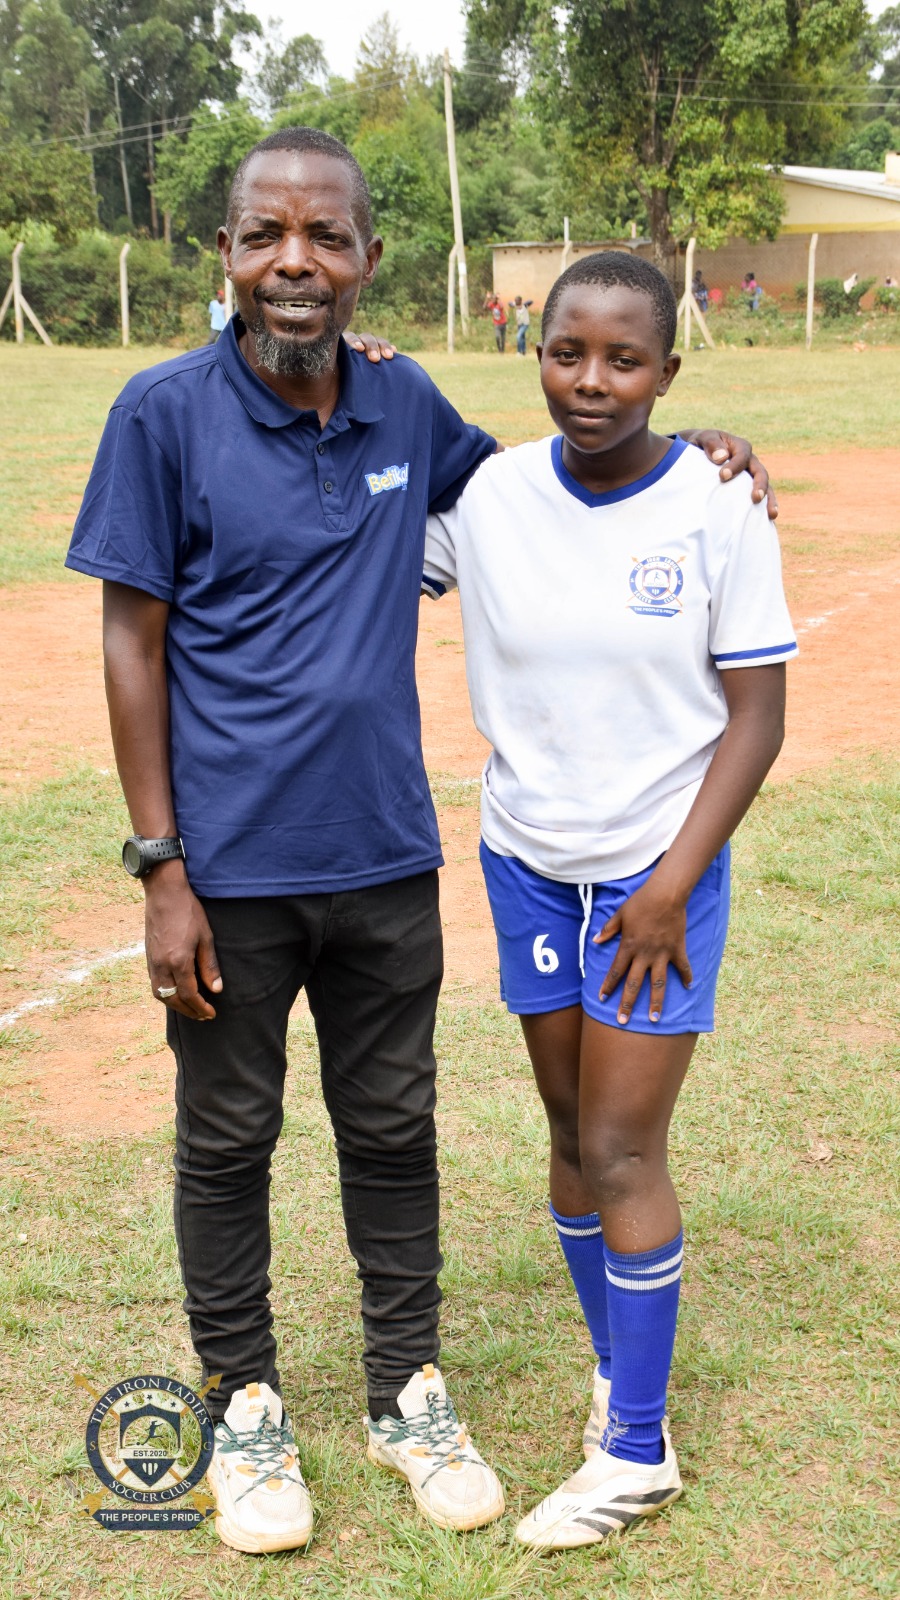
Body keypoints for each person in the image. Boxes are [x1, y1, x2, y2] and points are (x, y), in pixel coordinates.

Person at [65, 125, 774, 1558]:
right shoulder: (160, 414)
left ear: (370, 259)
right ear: (225, 252)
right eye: (267, 235)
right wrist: (160, 868)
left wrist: (706, 456)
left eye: (326, 238)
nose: (296, 262)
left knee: (395, 1131)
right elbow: (132, 643)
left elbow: (558, 485)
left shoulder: (404, 405)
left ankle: (407, 1393)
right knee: (229, 1138)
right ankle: (245, 1405)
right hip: (228, 869)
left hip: (388, 857)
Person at [422, 251, 797, 1551]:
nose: (591, 381)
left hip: (656, 874)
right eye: (568, 353)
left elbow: (757, 718)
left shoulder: (718, 503)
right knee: (572, 1137)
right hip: (527, 856)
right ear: (537, 357)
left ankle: (636, 1451)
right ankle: (617, 1366)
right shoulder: (490, 496)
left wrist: (671, 886)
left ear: (668, 373)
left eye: (624, 360)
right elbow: (362, 547)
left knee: (627, 1147)